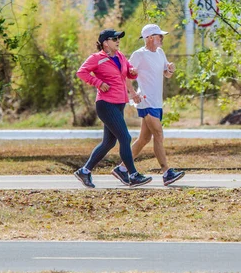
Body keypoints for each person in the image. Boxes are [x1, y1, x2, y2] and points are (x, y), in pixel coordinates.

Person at [74, 28, 152, 188]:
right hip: (105, 104)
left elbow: (129, 74)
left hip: (119, 103)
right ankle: (133, 174)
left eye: (118, 38)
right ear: (105, 43)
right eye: (114, 38)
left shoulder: (121, 56)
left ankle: (85, 171)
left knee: (109, 142)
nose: (118, 41)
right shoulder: (97, 58)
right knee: (125, 137)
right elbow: (81, 72)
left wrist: (132, 72)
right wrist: (98, 83)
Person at [114, 23, 185, 186]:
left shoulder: (160, 52)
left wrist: (171, 69)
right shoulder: (139, 55)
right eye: (160, 36)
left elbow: (166, 74)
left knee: (144, 139)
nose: (162, 38)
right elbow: (124, 76)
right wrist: (132, 94)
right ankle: (166, 172)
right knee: (158, 134)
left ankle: (122, 168)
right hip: (146, 100)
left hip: (157, 102)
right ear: (150, 38)